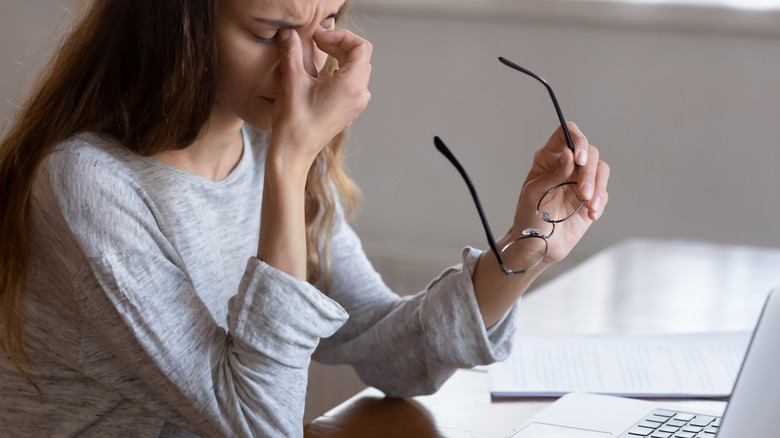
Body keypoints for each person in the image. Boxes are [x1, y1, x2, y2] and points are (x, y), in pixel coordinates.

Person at [0, 0, 609, 436]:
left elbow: (384, 346)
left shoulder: (267, 148)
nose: (307, 66)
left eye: (329, 24)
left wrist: (528, 243)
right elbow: (259, 424)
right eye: (268, 33)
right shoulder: (87, 183)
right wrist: (292, 162)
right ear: (180, 23)